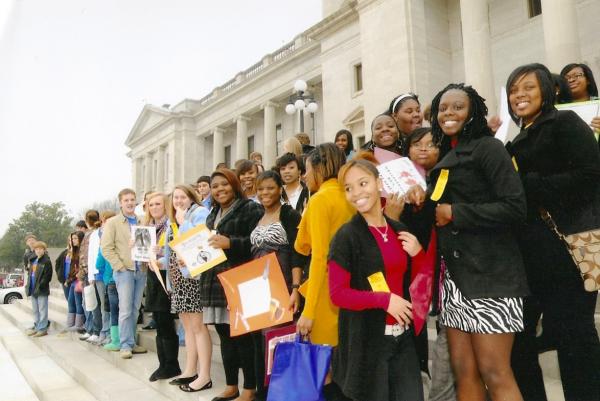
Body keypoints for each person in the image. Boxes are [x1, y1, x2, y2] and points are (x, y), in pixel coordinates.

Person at [506, 63, 600, 401]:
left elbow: (591, 174)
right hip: (531, 254)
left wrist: (532, 185)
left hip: (569, 247)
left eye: (528, 87)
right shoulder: (515, 139)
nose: (520, 95)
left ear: (547, 90)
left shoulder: (564, 122)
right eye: (514, 90)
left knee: (575, 339)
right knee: (520, 342)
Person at [429, 83, 528, 401]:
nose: (448, 113)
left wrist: (455, 213)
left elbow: (515, 208)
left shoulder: (489, 148)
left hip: (492, 276)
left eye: (458, 106)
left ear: (473, 112)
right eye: (443, 108)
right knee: (465, 373)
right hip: (455, 280)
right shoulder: (446, 155)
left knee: (495, 372)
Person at [328, 159, 431, 401]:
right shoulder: (346, 236)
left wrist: (419, 255)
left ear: (379, 183)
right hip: (368, 343)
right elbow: (337, 294)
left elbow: (418, 285)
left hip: (403, 339)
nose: (356, 193)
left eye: (363, 183)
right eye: (348, 188)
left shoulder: (398, 229)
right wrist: (384, 300)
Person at [294, 143, 355, 400]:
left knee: (324, 370)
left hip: (325, 291)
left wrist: (308, 312)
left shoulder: (319, 200)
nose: (304, 176)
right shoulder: (352, 195)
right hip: (353, 288)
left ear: (319, 168)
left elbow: (313, 253)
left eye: (306, 169)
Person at [201, 168, 263, 401]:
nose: (220, 189)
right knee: (224, 335)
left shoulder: (250, 208)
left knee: (242, 337)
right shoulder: (212, 214)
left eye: (224, 184)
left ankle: (249, 388)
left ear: (234, 184)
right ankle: (231, 385)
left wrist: (231, 243)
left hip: (239, 280)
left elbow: (258, 242)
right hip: (214, 281)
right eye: (215, 186)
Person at [250, 170, 308, 399]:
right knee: (260, 342)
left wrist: (296, 288)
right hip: (258, 288)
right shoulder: (257, 215)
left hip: (283, 285)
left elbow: (298, 253)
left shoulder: (289, 214)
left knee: (280, 342)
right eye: (261, 189)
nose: (265, 193)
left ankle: (281, 393)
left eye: (270, 188)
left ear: (279, 189)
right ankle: (262, 392)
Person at [158, 186, 212, 391]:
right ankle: (190, 370)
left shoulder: (199, 213)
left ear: (191, 198)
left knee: (198, 327)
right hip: (178, 280)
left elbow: (200, 241)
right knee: (188, 328)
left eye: (183, 197)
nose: (178, 201)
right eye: (175, 198)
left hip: (193, 278)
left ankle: (205, 375)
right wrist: (158, 261)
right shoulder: (173, 221)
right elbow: (173, 252)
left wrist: (183, 223)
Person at [100, 188, 148, 359]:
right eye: (126, 200)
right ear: (120, 203)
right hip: (124, 271)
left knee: (135, 309)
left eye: (132, 199)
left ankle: (131, 342)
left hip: (141, 269)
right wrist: (119, 266)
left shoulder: (143, 220)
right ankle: (125, 344)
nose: (129, 203)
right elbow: (106, 248)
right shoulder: (113, 223)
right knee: (125, 309)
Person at [560, 63, 600, 137]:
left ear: (588, 80)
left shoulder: (599, 105)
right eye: (566, 78)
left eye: (577, 76)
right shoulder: (555, 110)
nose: (571, 80)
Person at [25, 241, 53, 337]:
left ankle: (43, 329)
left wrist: (40, 286)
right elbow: (30, 275)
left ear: (44, 250)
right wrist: (28, 287)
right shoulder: (34, 260)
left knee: (42, 310)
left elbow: (47, 277)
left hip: (41, 290)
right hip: (33, 289)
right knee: (35, 310)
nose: (38, 251)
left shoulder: (46, 261)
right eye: (36, 249)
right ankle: (37, 327)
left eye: (41, 249)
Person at [65, 231, 86, 332]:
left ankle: (79, 325)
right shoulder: (74, 251)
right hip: (73, 280)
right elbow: (72, 267)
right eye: (72, 239)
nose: (73, 241)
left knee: (79, 302)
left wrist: (79, 276)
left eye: (75, 238)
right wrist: (69, 279)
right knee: (70, 301)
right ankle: (71, 323)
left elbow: (82, 266)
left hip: (80, 280)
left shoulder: (83, 250)